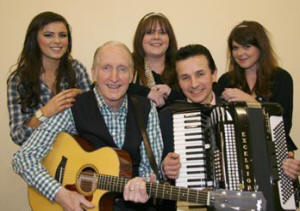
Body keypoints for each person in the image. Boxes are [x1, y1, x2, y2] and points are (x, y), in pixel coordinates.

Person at [12, 41, 178, 211]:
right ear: (94, 74)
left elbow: (151, 170)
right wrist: (60, 193)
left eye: (122, 69)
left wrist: (143, 183)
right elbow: (23, 158)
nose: (114, 77)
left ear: (131, 75)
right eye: (106, 68)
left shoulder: (146, 108)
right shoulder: (73, 107)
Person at [217, 20, 300, 180]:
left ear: (261, 47)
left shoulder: (281, 78)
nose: (240, 53)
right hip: (239, 158)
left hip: (276, 155)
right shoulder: (226, 81)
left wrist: (250, 102)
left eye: (247, 46)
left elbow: (283, 126)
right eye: (235, 48)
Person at [7, 11, 91, 146]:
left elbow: (94, 122)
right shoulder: (19, 80)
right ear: (34, 39)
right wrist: (46, 112)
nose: (57, 41)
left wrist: (84, 98)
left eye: (62, 35)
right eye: (48, 35)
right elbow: (19, 136)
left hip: (77, 154)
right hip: (40, 156)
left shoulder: (77, 69)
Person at [159, 44, 218, 211]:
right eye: (185, 77)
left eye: (200, 74)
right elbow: (153, 171)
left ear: (214, 74)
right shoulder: (166, 116)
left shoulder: (237, 112)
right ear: (178, 82)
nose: (194, 84)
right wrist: (164, 169)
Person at [129, 12, 184, 107]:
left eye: (162, 32)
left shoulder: (181, 66)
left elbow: (192, 98)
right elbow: (113, 87)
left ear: (169, 38)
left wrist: (171, 93)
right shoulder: (128, 64)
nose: (156, 37)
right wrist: (147, 92)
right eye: (150, 32)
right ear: (140, 38)